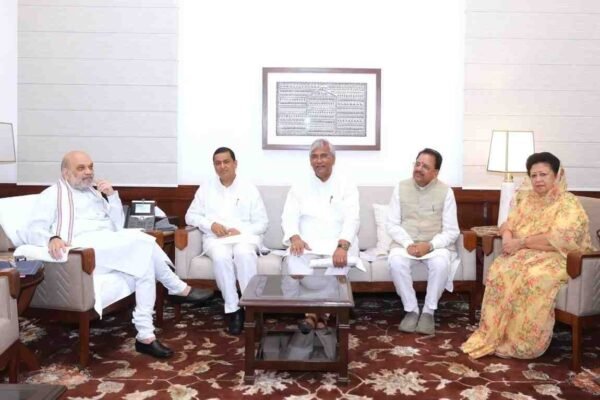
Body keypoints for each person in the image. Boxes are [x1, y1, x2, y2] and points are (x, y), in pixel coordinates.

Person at [20, 151, 212, 359]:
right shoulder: (52, 195)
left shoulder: (94, 193)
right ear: (65, 173)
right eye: (81, 168)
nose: (88, 172)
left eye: (90, 167)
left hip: (108, 246)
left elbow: (118, 224)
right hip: (81, 251)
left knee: (144, 261)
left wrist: (111, 196)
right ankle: (177, 288)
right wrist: (52, 238)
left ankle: (146, 337)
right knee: (142, 243)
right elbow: (32, 229)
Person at [462, 152, 594, 359]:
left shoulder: (568, 203)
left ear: (557, 175)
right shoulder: (527, 200)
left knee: (532, 277)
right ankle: (499, 333)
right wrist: (507, 238)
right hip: (527, 254)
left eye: (543, 174)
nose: (538, 180)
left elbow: (560, 239)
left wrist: (521, 242)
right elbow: (508, 224)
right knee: (501, 268)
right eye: (534, 175)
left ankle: (522, 341)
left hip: (561, 257)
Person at [185, 147, 268, 335]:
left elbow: (262, 223)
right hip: (216, 239)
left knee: (243, 253)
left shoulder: (249, 188)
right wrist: (210, 224)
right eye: (218, 163)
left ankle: (250, 307)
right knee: (221, 257)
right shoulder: (206, 188)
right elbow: (190, 216)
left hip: (244, 237)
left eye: (226, 162)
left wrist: (242, 230)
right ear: (214, 166)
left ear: (235, 164)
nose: (222, 166)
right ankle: (233, 310)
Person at [281, 138, 359, 333]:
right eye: (314, 157)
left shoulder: (346, 184)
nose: (319, 161)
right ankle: (316, 313)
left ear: (333, 159)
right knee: (293, 261)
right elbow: (289, 215)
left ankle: (313, 316)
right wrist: (295, 238)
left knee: (338, 265)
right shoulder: (300, 184)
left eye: (323, 156)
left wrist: (342, 246)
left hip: (339, 240)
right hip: (308, 241)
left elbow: (353, 218)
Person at [385, 148, 459, 335]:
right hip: (405, 244)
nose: (419, 169)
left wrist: (430, 245)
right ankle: (411, 310)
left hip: (435, 245)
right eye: (417, 164)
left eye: (425, 166)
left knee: (441, 263)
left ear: (435, 172)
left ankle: (428, 312)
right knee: (396, 262)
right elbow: (392, 224)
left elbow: (452, 231)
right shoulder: (400, 187)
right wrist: (407, 243)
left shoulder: (446, 192)